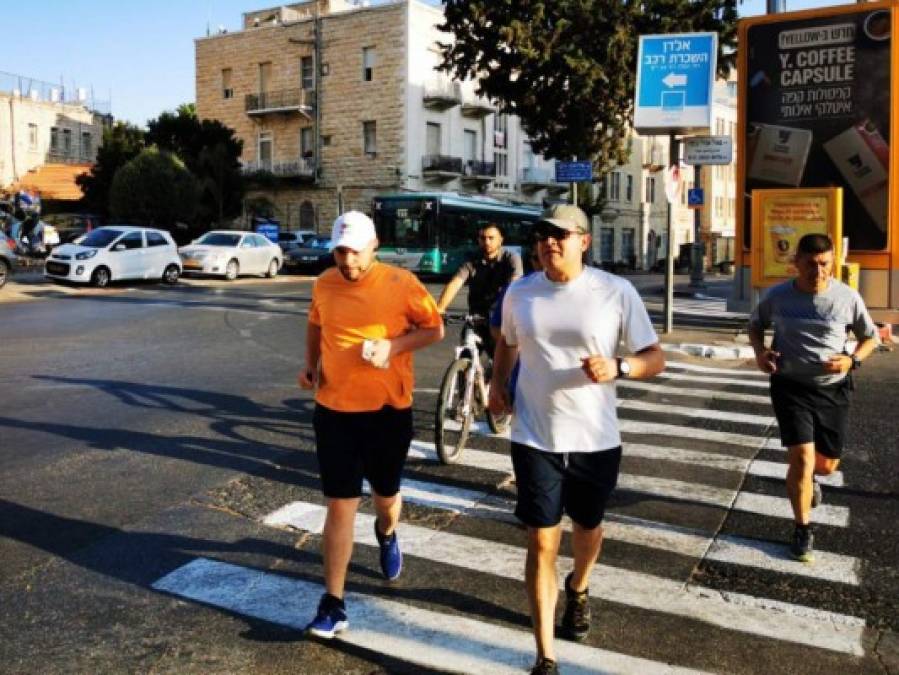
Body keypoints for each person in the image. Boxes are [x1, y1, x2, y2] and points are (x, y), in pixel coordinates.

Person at [488, 204, 665, 675]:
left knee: (588, 529)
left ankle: (579, 587)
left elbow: (654, 356)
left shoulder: (615, 291)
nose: (550, 242)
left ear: (583, 241)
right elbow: (507, 341)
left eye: (561, 235)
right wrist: (496, 384)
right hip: (534, 436)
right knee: (541, 542)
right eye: (544, 234)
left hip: (595, 438)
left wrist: (621, 367)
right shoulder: (520, 292)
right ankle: (545, 655)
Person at [299, 210, 444, 638]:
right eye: (341, 252)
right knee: (340, 504)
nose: (348, 262)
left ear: (374, 246)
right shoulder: (324, 283)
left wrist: (394, 345)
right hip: (334, 412)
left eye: (356, 252)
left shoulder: (401, 284)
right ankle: (334, 603)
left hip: (386, 414)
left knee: (385, 498)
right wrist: (310, 365)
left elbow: (433, 329)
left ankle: (387, 533)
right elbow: (314, 324)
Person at [748, 233, 878, 563]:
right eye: (810, 264)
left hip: (834, 388)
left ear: (832, 262)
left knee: (826, 465)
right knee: (802, 459)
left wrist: (852, 360)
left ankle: (812, 484)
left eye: (824, 264)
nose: (817, 271)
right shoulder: (777, 296)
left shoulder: (847, 298)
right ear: (796, 262)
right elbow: (755, 325)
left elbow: (870, 337)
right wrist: (761, 353)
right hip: (790, 386)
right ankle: (802, 528)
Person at [435, 223, 523, 357]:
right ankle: (467, 372)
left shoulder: (511, 258)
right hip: (476, 317)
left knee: (501, 363)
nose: (486, 242)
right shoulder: (471, 260)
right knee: (465, 353)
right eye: (483, 238)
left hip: (500, 319)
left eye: (491, 238)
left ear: (501, 240)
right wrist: (439, 309)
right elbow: (455, 283)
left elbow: (515, 284)